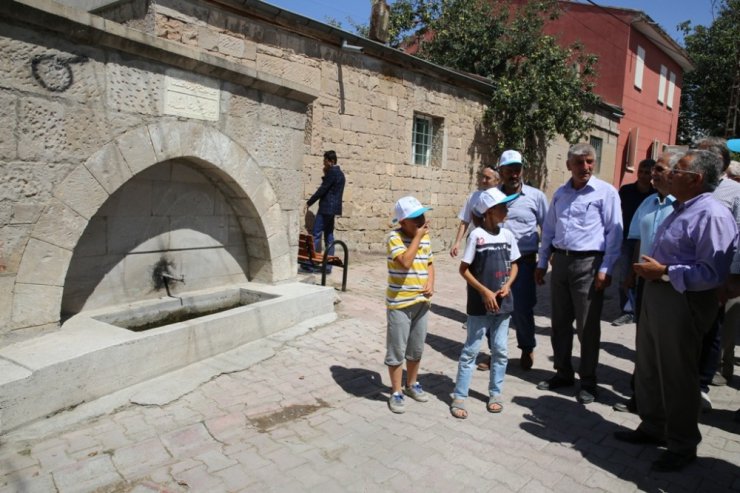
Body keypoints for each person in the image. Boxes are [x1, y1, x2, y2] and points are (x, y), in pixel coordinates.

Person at [614, 150, 737, 472]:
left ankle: (682, 444)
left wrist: (666, 271)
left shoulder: (712, 214)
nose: (668, 175)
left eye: (677, 171)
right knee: (650, 365)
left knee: (678, 375)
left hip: (682, 300)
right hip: (658, 294)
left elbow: (712, 273)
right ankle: (652, 426)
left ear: (696, 179)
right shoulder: (681, 208)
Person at [534, 142, 622, 405]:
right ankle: (562, 373)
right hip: (560, 263)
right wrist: (541, 263)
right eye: (580, 162)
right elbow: (549, 230)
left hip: (589, 265)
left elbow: (614, 233)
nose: (585, 167)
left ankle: (588, 381)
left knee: (587, 328)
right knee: (559, 323)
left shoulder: (606, 193)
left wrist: (606, 268)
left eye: (590, 162)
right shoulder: (560, 194)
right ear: (568, 165)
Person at [613, 151, 679, 413]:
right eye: (653, 170)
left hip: (672, 284)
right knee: (645, 340)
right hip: (646, 283)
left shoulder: (682, 206)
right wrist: (631, 274)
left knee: (667, 346)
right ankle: (641, 396)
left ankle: (663, 403)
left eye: (660, 169)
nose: (654, 174)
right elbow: (637, 240)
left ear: (675, 174)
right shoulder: (650, 203)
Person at [450, 188, 520, 419]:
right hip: (480, 306)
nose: (506, 210)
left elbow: (515, 264)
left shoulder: (508, 235)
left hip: (503, 305)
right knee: (471, 349)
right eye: (503, 206)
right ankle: (460, 395)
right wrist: (484, 291)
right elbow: (464, 270)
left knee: (500, 350)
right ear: (490, 211)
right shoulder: (476, 236)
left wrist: (508, 284)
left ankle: (495, 393)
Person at [694, 138, 740, 400]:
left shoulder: (734, 192)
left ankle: (701, 385)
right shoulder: (695, 186)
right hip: (689, 273)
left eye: (702, 156)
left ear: (719, 162)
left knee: (712, 329)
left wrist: (731, 279)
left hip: (718, 277)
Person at [496, 150, 548, 370]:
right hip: (496, 261)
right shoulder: (492, 196)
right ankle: (496, 353)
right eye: (509, 170)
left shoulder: (536, 197)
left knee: (523, 309)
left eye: (517, 169)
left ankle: (527, 348)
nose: (514, 174)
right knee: (495, 307)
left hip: (525, 262)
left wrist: (543, 262)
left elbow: (547, 229)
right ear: (501, 171)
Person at [384, 196, 435, 414]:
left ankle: (411, 384)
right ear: (403, 222)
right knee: (397, 349)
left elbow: (429, 262)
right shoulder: (394, 237)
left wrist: (431, 281)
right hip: (400, 303)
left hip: (421, 302)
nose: (423, 221)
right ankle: (396, 391)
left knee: (416, 348)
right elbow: (405, 262)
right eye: (416, 218)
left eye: (423, 215)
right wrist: (419, 236)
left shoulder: (424, 237)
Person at [612, 159, 655, 326]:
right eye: (642, 171)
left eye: (648, 172)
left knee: (642, 275)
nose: (644, 175)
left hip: (645, 240)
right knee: (624, 275)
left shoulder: (654, 194)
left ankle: (641, 309)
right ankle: (626, 311)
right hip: (626, 239)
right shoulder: (626, 190)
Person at [306, 150, 346, 273]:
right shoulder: (341, 174)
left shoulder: (332, 172)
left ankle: (311, 264)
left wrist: (309, 202)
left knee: (316, 234)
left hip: (325, 208)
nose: (324, 164)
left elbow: (323, 189)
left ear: (331, 161)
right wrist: (325, 174)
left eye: (325, 161)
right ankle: (328, 267)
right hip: (333, 210)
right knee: (329, 236)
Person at [449, 164, 499, 257]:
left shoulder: (501, 198)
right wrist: (457, 242)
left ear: (497, 181)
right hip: (475, 242)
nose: (483, 180)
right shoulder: (473, 197)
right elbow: (465, 221)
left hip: (495, 243)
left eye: (487, 178)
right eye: (483, 177)